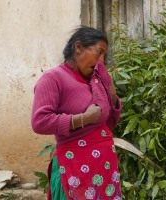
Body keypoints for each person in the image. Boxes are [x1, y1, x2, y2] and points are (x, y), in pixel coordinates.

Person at [31, 26, 122, 200]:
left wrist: (111, 92)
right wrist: (83, 119)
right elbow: (39, 121)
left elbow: (108, 123)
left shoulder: (95, 81)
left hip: (103, 171)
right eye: (99, 52)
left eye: (104, 56)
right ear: (78, 47)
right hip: (75, 169)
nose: (101, 61)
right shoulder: (53, 78)